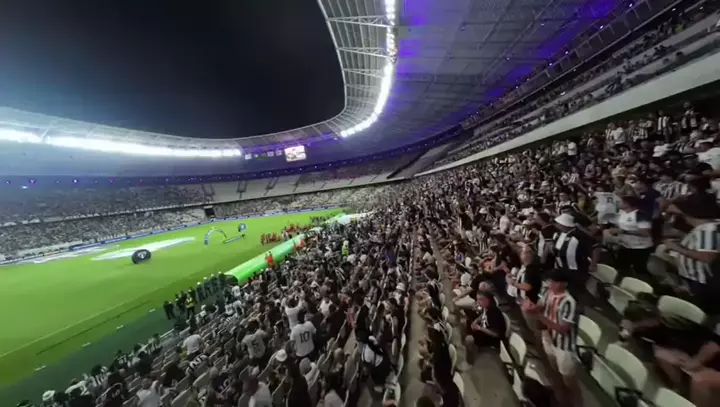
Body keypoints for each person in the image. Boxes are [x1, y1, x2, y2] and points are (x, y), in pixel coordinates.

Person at [522, 270, 582, 407]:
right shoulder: (548, 292)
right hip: (549, 339)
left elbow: (563, 329)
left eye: (555, 282)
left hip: (564, 346)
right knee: (555, 373)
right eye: (551, 281)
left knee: (569, 381)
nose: (551, 284)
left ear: (564, 284)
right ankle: (563, 401)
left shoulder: (569, 302)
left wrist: (539, 315)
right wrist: (531, 308)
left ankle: (578, 403)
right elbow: (540, 306)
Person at [608, 195, 654, 277]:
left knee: (640, 271)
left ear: (628, 204)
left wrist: (623, 231)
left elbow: (645, 233)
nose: (619, 203)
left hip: (640, 248)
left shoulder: (640, 215)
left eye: (621, 202)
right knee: (620, 268)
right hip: (625, 246)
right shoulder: (622, 213)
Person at [465, 290, 506, 364]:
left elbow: (496, 334)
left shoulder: (494, 314)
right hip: (484, 329)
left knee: (469, 339)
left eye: (480, 299)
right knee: (468, 321)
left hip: (492, 339)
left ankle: (470, 362)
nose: (478, 302)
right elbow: (483, 315)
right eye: (477, 299)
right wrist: (476, 320)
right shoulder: (486, 307)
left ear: (488, 300)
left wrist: (479, 328)